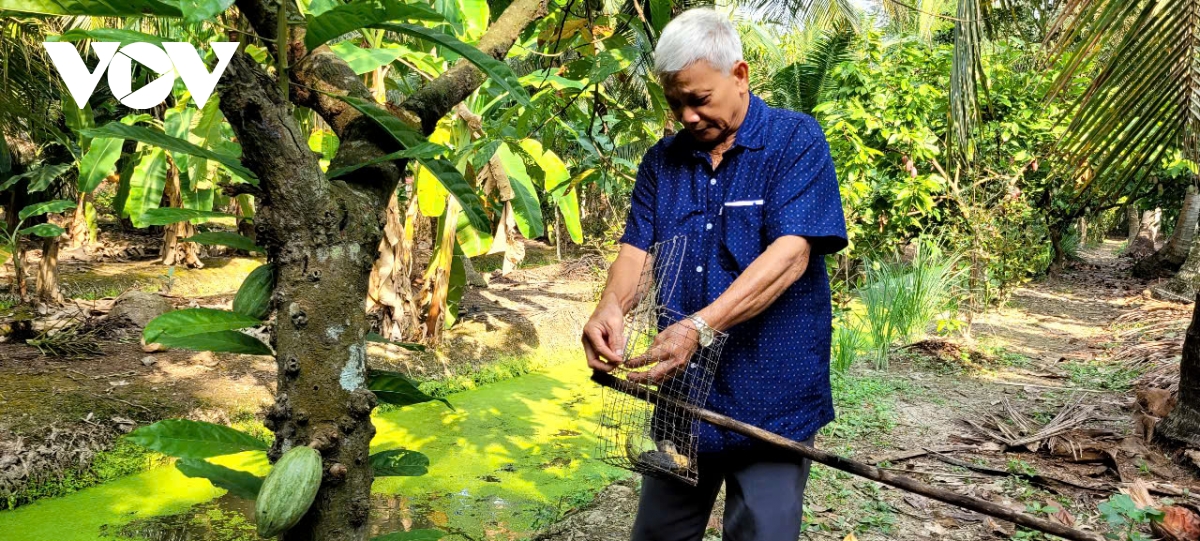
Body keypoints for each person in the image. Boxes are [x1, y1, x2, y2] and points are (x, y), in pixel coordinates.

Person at [580, 8, 848, 541]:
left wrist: (697, 328)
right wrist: (609, 308)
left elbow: (790, 255)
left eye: (699, 99)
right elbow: (637, 251)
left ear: (740, 76)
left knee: (761, 535)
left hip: (771, 400)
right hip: (683, 397)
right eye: (674, 102)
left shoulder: (795, 141)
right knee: (658, 535)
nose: (685, 115)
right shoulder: (663, 161)